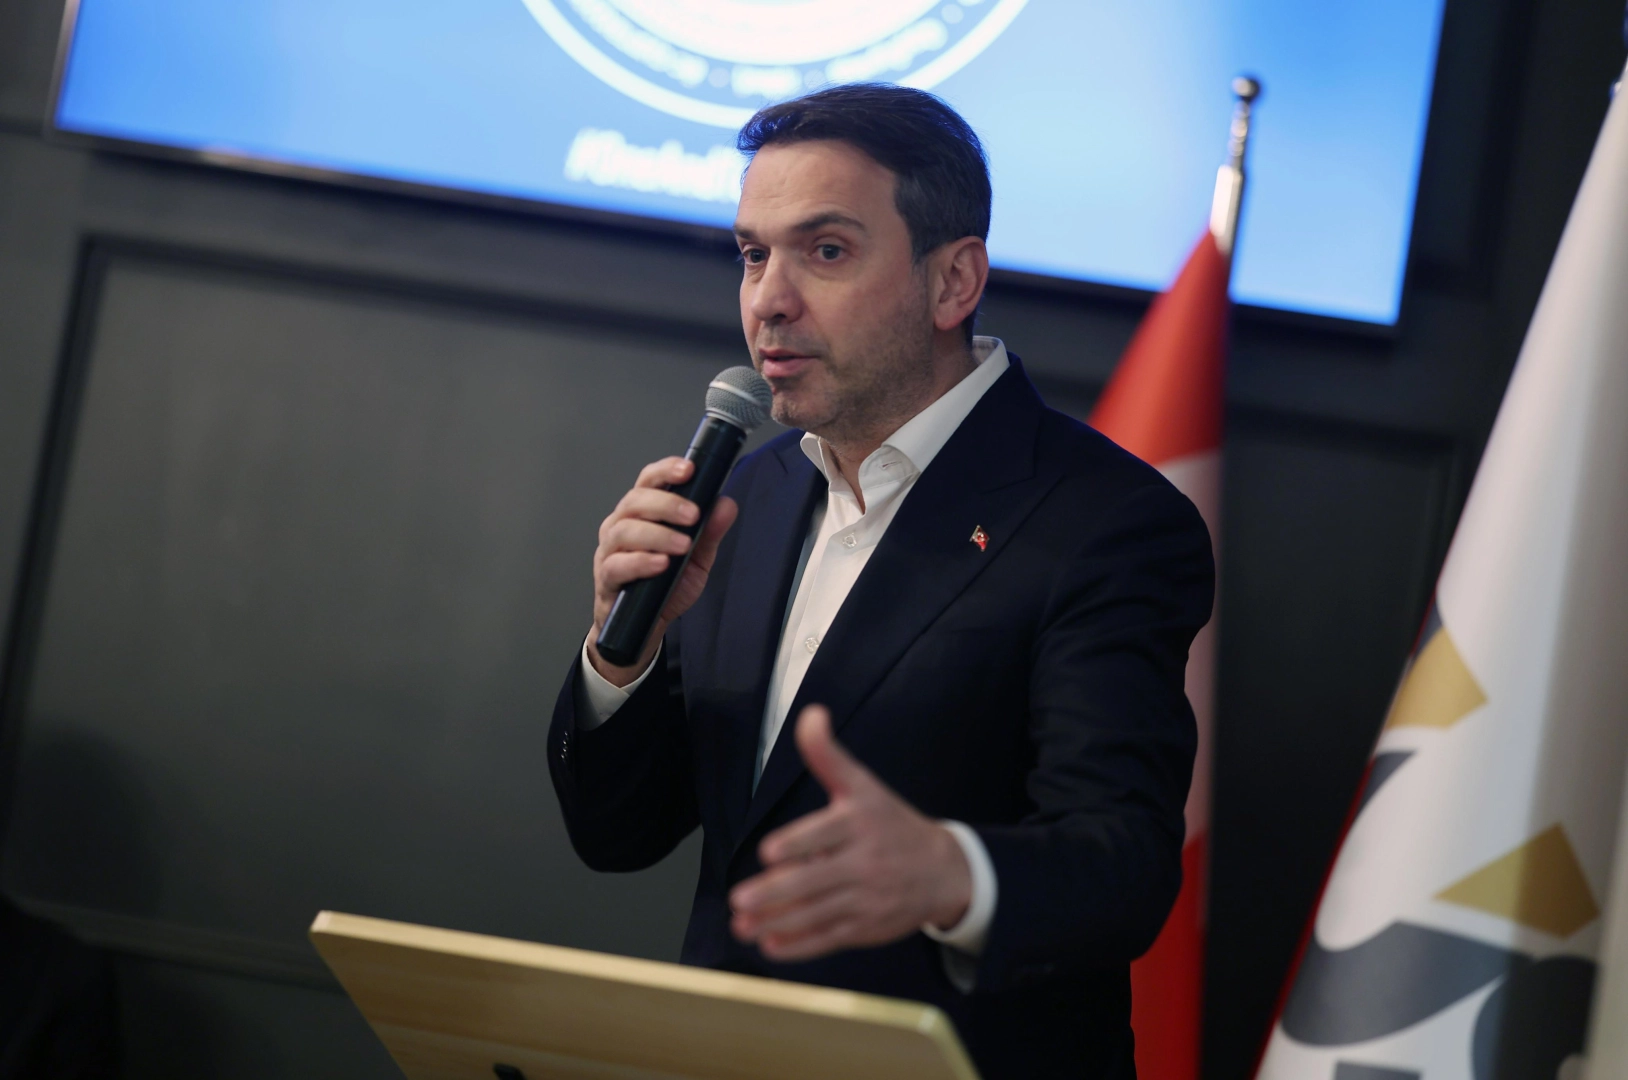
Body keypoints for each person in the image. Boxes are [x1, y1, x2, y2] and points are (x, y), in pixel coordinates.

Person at [549, 83, 1214, 1079]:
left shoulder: (1106, 522)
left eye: (824, 251)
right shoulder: (749, 493)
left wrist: (951, 872)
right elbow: (618, 834)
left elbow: (1121, 867)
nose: (768, 299)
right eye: (752, 254)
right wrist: (621, 655)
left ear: (953, 282)